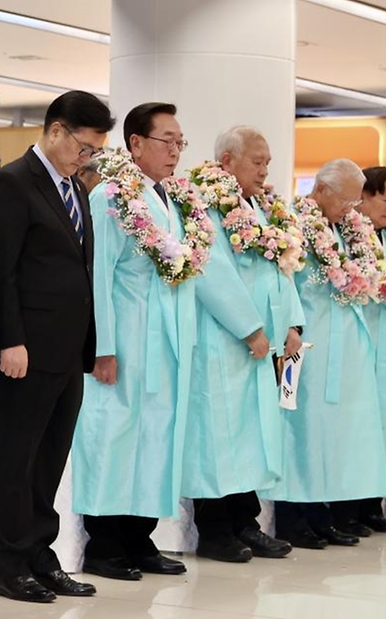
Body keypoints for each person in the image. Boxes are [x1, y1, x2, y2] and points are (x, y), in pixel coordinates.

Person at [73, 103, 262, 581]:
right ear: (135, 144)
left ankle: (141, 538)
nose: (175, 151)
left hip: (171, 343)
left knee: (157, 441)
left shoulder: (176, 199)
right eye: (166, 141)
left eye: (181, 142)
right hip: (128, 341)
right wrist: (103, 346)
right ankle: (105, 544)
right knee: (117, 439)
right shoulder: (112, 197)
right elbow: (98, 277)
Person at [0, 91, 113, 603]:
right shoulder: (12, 183)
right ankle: (9, 565)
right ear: (56, 130)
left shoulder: (74, 190)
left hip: (67, 350)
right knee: (17, 459)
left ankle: (40, 555)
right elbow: (1, 271)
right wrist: (9, 340)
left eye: (94, 151)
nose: (87, 158)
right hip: (26, 351)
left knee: (51, 459)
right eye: (83, 146)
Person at [184, 126, 304, 563]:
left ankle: (246, 523)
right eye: (257, 161)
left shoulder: (265, 208)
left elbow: (283, 268)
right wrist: (249, 327)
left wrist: (294, 325)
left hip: (265, 344)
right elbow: (210, 271)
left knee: (253, 436)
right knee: (219, 439)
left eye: (267, 162)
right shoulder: (204, 205)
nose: (265, 169)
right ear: (228, 162)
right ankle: (215, 531)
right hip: (224, 341)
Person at [267, 159, 386, 549]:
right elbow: (284, 283)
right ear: (321, 190)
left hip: (342, 346)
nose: (351, 209)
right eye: (346, 200)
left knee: (330, 435)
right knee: (298, 430)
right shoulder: (294, 223)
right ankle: (291, 518)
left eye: (356, 202)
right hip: (300, 346)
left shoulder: (347, 228)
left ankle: (322, 515)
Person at [328, 167, 386, 537]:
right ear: (363, 198)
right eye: (384, 198)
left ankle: (369, 506)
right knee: (357, 430)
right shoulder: (351, 238)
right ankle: (346, 510)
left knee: (383, 429)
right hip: (361, 345)